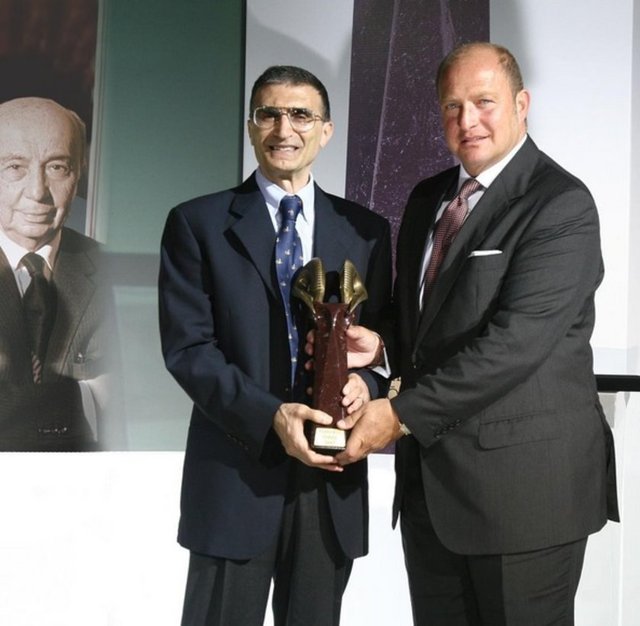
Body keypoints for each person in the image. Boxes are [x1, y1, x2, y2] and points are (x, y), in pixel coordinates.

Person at [332, 42, 619, 624]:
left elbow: (514, 346)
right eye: (452, 106)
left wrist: (398, 414)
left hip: (525, 497)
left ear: (521, 104)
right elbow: (426, 321)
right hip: (432, 494)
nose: (468, 120)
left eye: (484, 102)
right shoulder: (426, 199)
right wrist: (382, 345)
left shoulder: (561, 204)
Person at [158, 65, 392, 626]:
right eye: (269, 114)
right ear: (250, 127)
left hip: (330, 481)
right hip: (235, 477)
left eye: (301, 115)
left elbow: (388, 341)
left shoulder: (366, 231)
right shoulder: (197, 223)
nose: (284, 129)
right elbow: (189, 351)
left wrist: (368, 382)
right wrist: (271, 417)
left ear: (326, 131)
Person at [0, 97, 120, 451]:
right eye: (15, 167)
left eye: (56, 167)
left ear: (78, 174)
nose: (38, 192)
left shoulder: (113, 273)